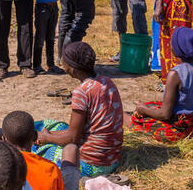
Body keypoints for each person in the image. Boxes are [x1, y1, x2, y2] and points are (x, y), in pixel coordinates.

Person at [32, 42, 126, 176]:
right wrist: (49, 134)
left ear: (73, 69)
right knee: (55, 125)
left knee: (39, 151)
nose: (62, 65)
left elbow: (72, 138)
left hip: (93, 165)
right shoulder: (107, 82)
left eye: (64, 61)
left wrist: (47, 138)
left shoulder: (81, 92)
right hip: (113, 158)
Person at [131, 27, 193, 143]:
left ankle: (126, 119)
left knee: (136, 118)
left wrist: (142, 110)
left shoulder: (176, 73)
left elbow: (165, 114)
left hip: (178, 131)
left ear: (177, 49)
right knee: (150, 105)